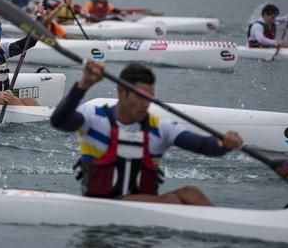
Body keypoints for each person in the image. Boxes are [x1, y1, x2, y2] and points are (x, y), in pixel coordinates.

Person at [51, 60, 243, 205]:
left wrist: (222, 144)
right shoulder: (93, 118)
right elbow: (58, 121)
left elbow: (202, 145)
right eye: (140, 96)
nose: (146, 103)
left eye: (150, 97)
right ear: (121, 92)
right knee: (177, 200)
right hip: (101, 205)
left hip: (144, 210)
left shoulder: (160, 128)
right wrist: (83, 85)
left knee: (191, 193)